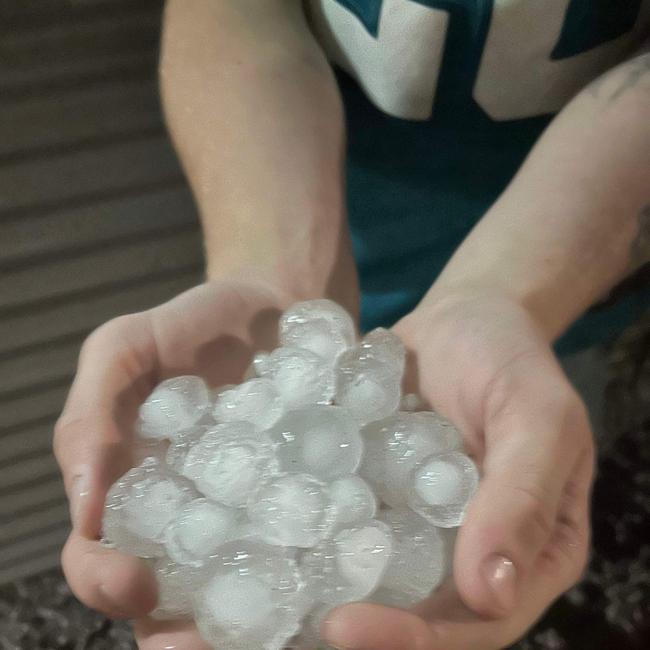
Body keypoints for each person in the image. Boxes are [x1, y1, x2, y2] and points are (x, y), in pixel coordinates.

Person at [53, 2, 650, 649]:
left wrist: (512, 298)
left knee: (534, 458)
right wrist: (270, 269)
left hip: (572, 291)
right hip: (330, 230)